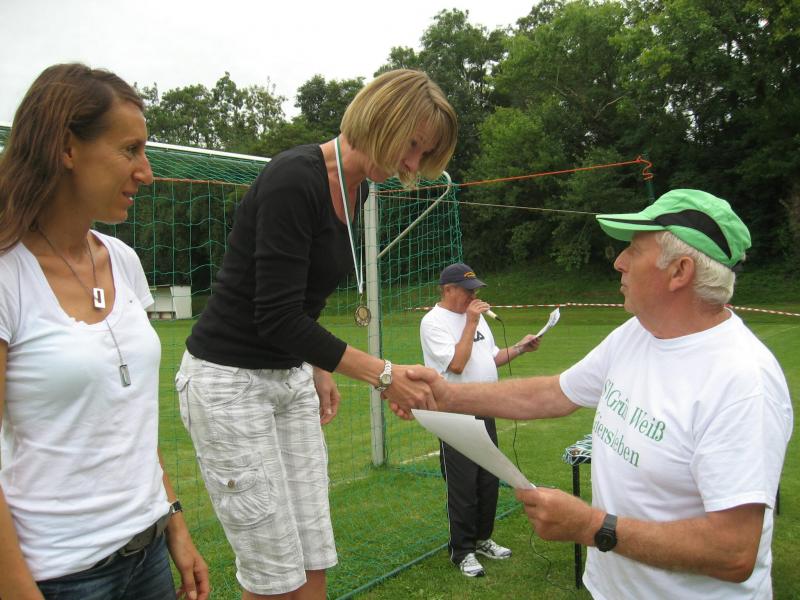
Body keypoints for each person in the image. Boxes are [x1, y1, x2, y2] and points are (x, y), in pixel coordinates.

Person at [405, 189, 793, 599]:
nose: (618, 261)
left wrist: (592, 526)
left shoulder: (742, 382)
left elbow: (733, 552)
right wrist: (444, 396)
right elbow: (553, 394)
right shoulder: (636, 333)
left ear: (679, 271)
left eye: (634, 250)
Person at [176, 69, 458, 599]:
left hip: (288, 377)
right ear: (380, 119)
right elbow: (276, 316)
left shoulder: (359, 190)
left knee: (313, 557)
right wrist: (385, 375)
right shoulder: (294, 178)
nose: (412, 165)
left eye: (424, 155)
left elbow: (303, 300)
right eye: (412, 145)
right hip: (230, 382)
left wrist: (316, 363)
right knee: (274, 574)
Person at [0, 64, 209, 600]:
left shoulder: (123, 261)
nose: (146, 172)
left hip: (147, 553)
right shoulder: (7, 274)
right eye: (130, 150)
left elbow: (130, 417)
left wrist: (174, 522)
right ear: (66, 148)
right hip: (60, 574)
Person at [420, 262, 540, 577]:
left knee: (488, 481)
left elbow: (491, 356)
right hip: (454, 414)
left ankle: (482, 538)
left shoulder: (477, 318)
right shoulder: (433, 322)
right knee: (463, 485)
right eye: (467, 290)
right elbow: (457, 365)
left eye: (475, 290)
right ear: (448, 289)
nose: (473, 296)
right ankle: (462, 551)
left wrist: (520, 348)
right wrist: (471, 321)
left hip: (485, 407)